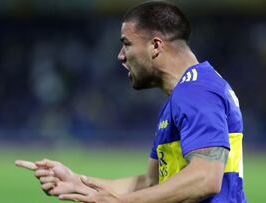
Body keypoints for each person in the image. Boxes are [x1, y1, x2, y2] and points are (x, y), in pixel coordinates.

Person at [15, 1, 246, 202]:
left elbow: (206, 178)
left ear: (155, 46)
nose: (121, 55)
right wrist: (78, 182)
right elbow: (151, 183)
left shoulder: (196, 91)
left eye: (126, 43)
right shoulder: (182, 96)